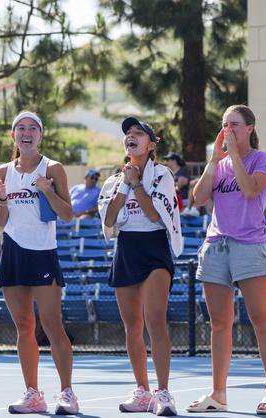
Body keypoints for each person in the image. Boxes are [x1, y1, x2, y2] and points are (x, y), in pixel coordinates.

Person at [188, 104, 266, 415]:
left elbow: (250, 189)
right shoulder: (221, 162)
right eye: (225, 124)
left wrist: (234, 156)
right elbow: (199, 198)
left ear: (250, 128)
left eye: (235, 124)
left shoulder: (262, 160)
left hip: (249, 245)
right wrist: (215, 159)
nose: (228, 129)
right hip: (216, 245)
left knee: (261, 321)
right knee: (219, 324)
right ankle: (218, 393)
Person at [0, 111, 79, 415]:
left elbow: (67, 214)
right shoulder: (3, 172)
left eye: (32, 128)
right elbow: (1, 221)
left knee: (53, 326)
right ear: (13, 135)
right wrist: (1, 200)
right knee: (24, 328)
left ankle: (67, 393)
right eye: (21, 128)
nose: (26, 133)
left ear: (40, 135)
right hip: (13, 251)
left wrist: (48, 191)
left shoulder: (52, 168)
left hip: (43, 251)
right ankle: (33, 394)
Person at [99, 117, 183, 416]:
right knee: (132, 327)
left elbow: (151, 215)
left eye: (138, 133)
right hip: (127, 250)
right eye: (128, 134)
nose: (131, 137)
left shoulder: (162, 174)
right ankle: (142, 390)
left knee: (155, 321)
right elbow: (109, 221)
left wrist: (136, 183)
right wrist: (125, 183)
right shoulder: (113, 180)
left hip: (154, 248)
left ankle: (163, 392)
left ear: (151, 144)